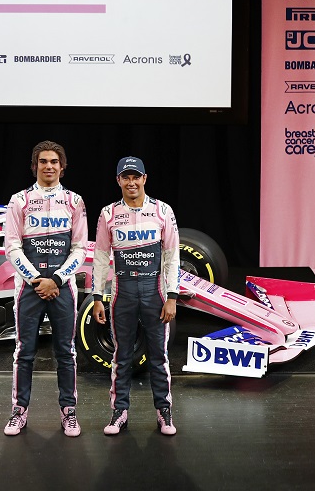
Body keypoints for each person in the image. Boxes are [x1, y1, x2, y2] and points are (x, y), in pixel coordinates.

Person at [2, 141, 88, 437]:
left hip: (63, 288)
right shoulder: (19, 200)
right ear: (35, 166)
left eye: (54, 161)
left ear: (62, 167)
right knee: (24, 352)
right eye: (43, 161)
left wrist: (58, 279)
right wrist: (37, 279)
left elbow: (80, 248)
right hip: (29, 288)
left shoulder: (75, 201)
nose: (49, 166)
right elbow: (11, 247)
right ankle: (19, 411)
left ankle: (69, 412)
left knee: (66, 352)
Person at [91, 156, 180, 436]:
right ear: (118, 180)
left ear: (144, 178)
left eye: (136, 177)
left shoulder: (163, 210)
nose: (131, 182)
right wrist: (97, 296)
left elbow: (172, 257)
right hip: (123, 293)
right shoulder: (108, 213)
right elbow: (100, 257)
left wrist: (172, 296)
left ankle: (164, 411)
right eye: (126, 177)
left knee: (159, 356)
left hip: (155, 292)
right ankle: (119, 412)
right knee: (122, 355)